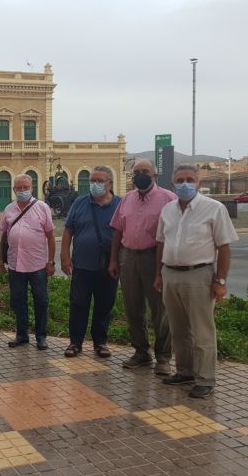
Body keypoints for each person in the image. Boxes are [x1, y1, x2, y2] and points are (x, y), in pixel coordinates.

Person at [155, 164, 238, 398]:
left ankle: (205, 378)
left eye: (190, 179)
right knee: (178, 328)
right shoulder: (167, 210)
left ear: (199, 183)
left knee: (202, 330)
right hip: (170, 274)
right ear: (172, 184)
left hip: (199, 274)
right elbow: (161, 242)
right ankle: (185, 371)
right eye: (180, 180)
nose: (185, 184)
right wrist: (158, 274)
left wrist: (220, 280)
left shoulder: (214, 208)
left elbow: (224, 246)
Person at [108, 159, 177, 375]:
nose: (140, 175)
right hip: (128, 257)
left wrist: (164, 267)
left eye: (145, 171)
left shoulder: (169, 199)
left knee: (160, 311)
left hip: (154, 258)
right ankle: (141, 353)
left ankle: (163, 357)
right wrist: (113, 260)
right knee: (133, 308)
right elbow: (118, 231)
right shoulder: (126, 199)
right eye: (136, 171)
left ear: (154, 175)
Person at [61, 166, 121, 358]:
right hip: (81, 265)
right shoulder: (79, 203)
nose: (95, 184)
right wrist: (65, 256)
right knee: (78, 304)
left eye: (99, 181)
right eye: (92, 181)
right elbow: (68, 230)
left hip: (109, 266)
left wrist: (117, 261)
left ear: (109, 183)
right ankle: (75, 343)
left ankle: (101, 343)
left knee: (104, 306)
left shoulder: (120, 204)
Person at [0, 174, 56, 350]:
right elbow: (4, 236)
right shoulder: (8, 209)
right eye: (19, 188)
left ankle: (41, 336)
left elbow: (51, 236)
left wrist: (51, 261)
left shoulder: (42, 207)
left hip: (37, 265)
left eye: (25, 187)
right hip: (15, 265)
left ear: (32, 188)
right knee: (17, 300)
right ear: (14, 190)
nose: (22, 190)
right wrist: (1, 260)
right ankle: (22, 335)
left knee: (41, 301)